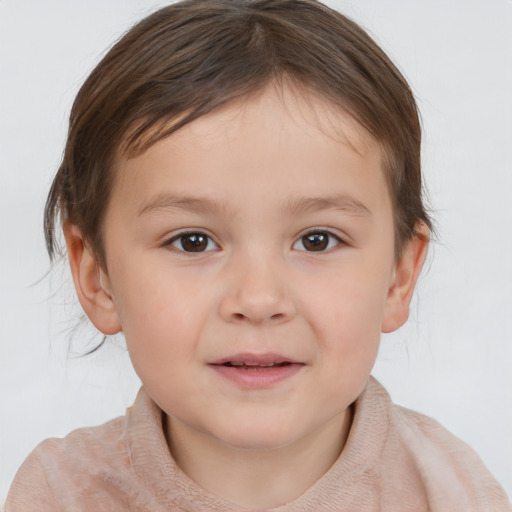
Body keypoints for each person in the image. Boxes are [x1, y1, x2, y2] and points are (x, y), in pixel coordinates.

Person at [6, 0, 511, 510]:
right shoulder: (61, 494)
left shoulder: (453, 493)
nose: (259, 298)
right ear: (97, 277)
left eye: (318, 240)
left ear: (399, 277)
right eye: (192, 241)